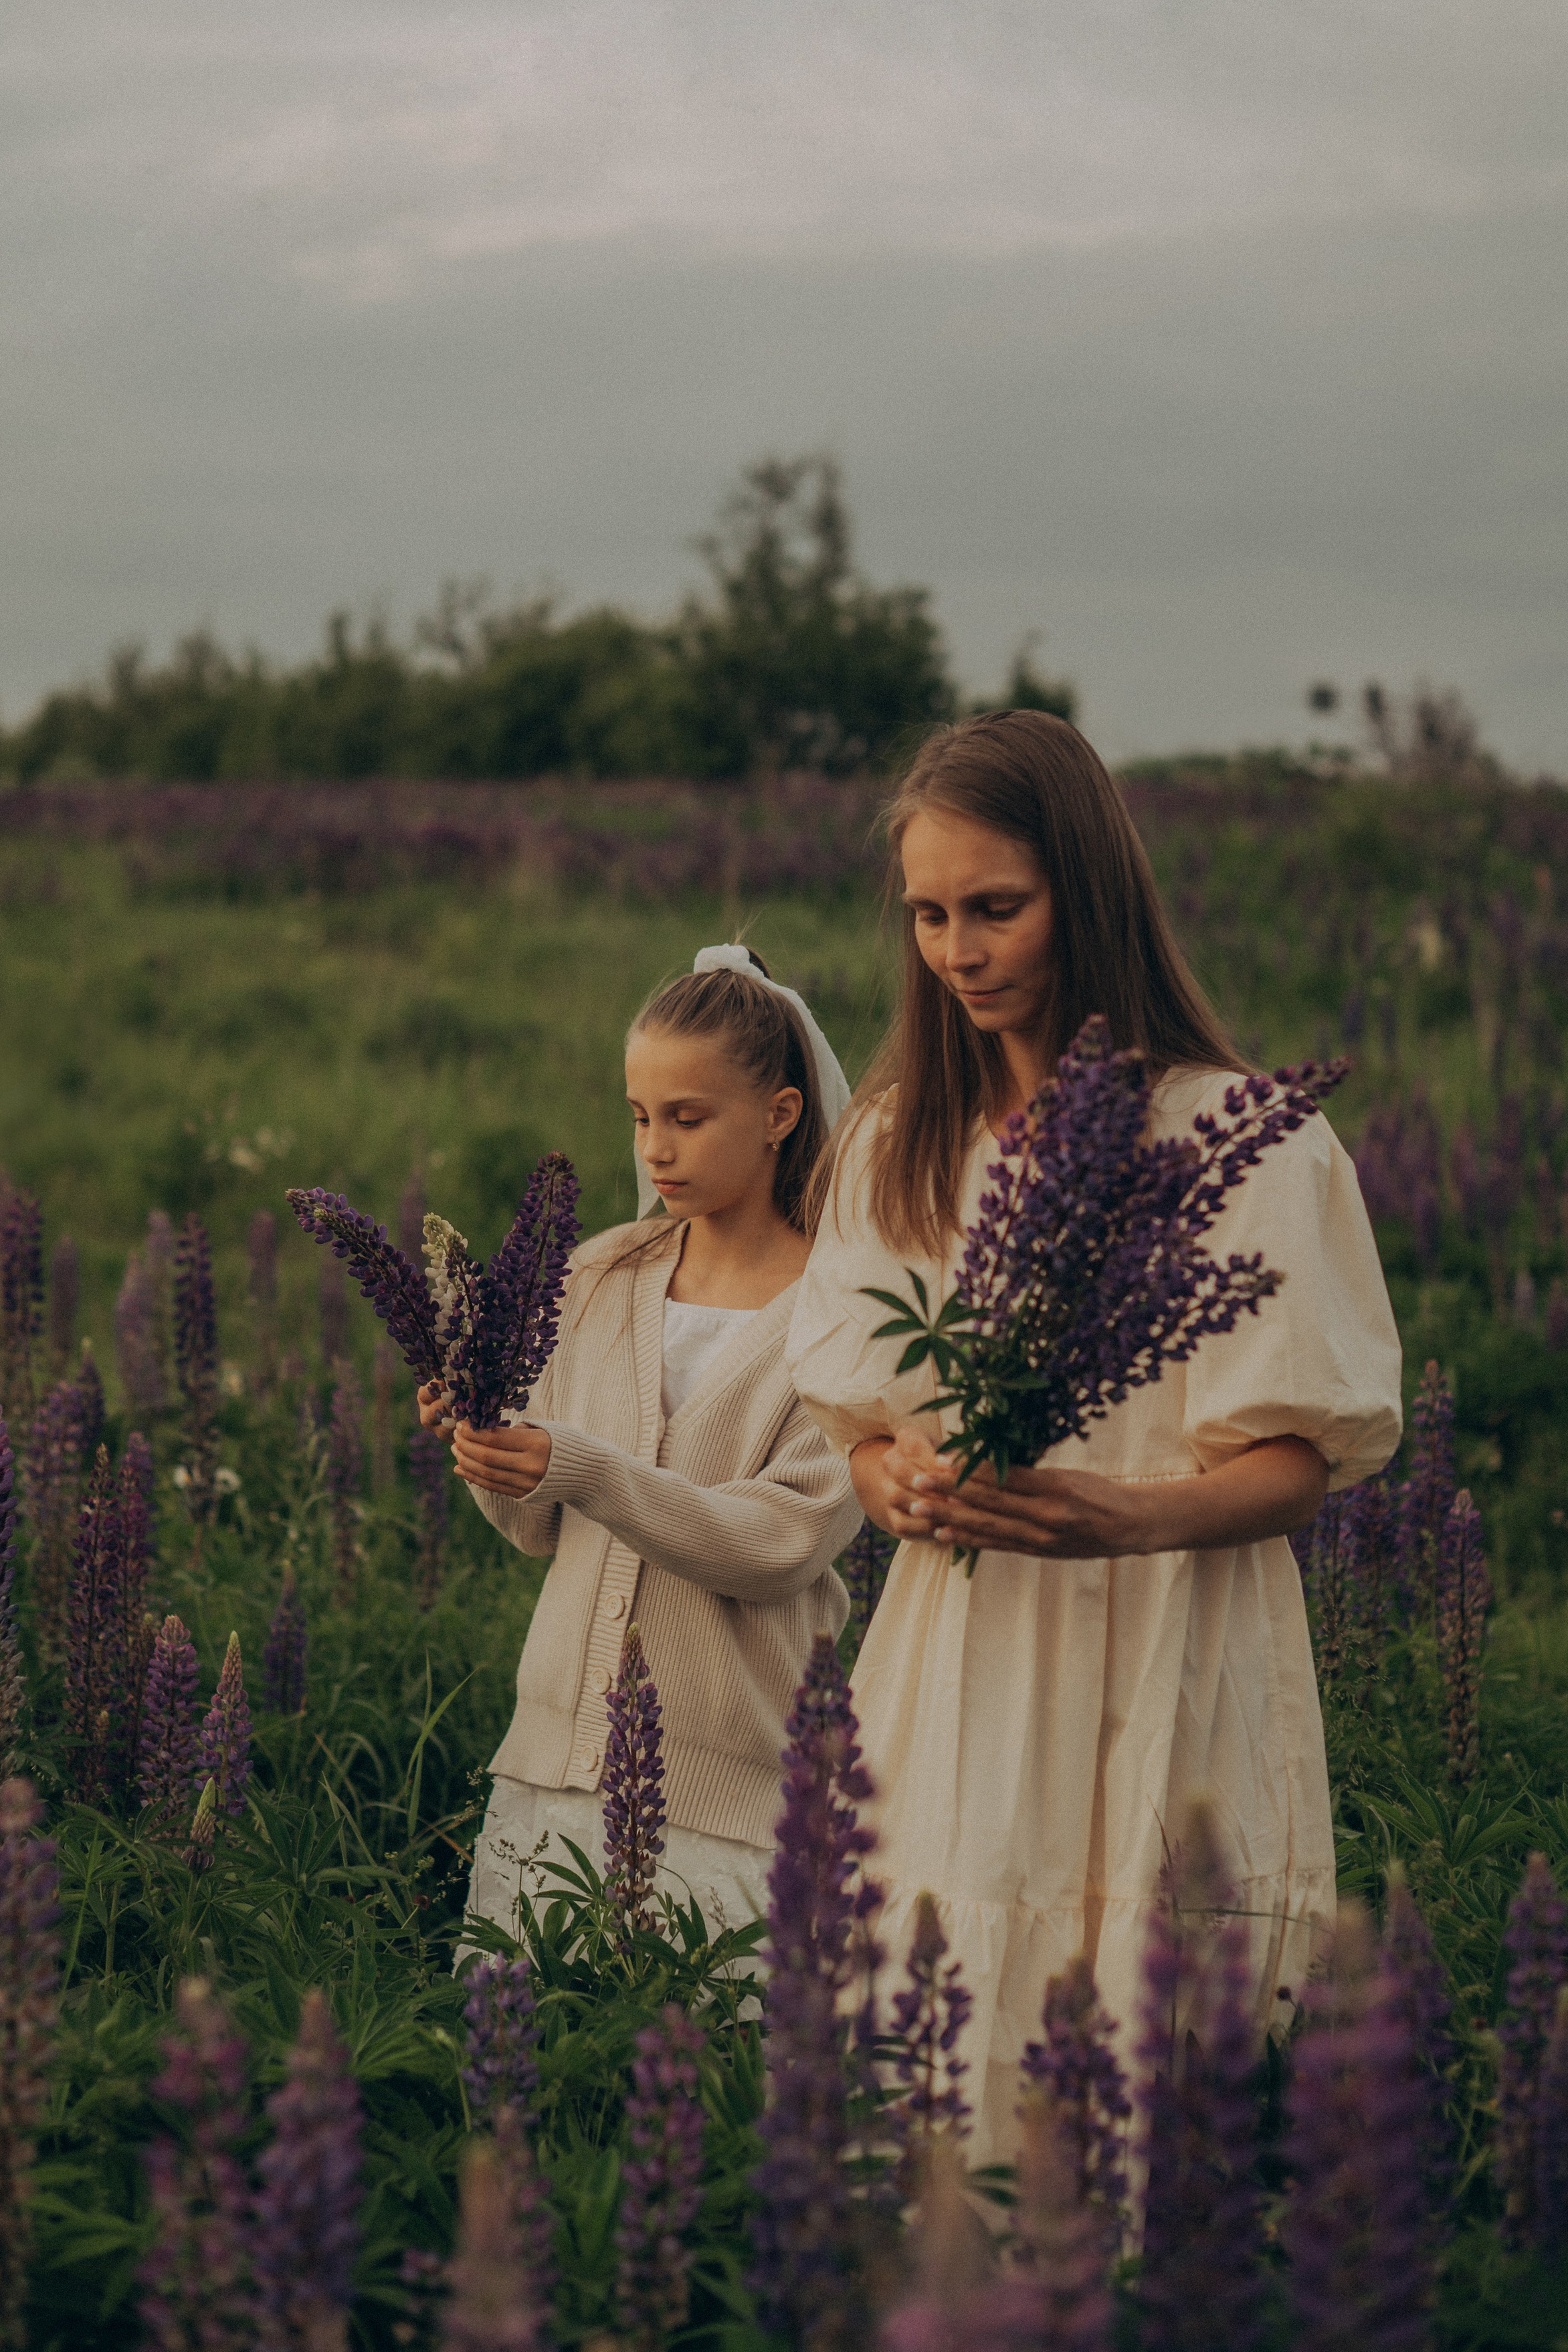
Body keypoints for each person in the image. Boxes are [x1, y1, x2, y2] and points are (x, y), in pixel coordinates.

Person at [785, 712, 1402, 2166]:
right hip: (961, 1659)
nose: (956, 949)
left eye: (994, 907)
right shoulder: (898, 1140)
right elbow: (861, 1428)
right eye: (929, 914)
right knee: (934, 2024)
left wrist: (1126, 1518)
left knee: (1151, 2053)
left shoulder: (1240, 1138)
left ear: (1088, 889)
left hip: (1168, 1646)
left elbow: (1299, 1461)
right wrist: (897, 1482)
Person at [421, 945, 859, 1939]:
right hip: (553, 1766)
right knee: (537, 2082)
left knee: (702, 2088)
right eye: (640, 1117)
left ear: (781, 1116)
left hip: (733, 1801)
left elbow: (779, 1545)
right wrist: (486, 1441)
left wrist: (576, 1460)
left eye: (688, 1119)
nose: (654, 1149)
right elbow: (538, 1528)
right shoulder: (599, 1276)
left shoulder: (842, 1313)